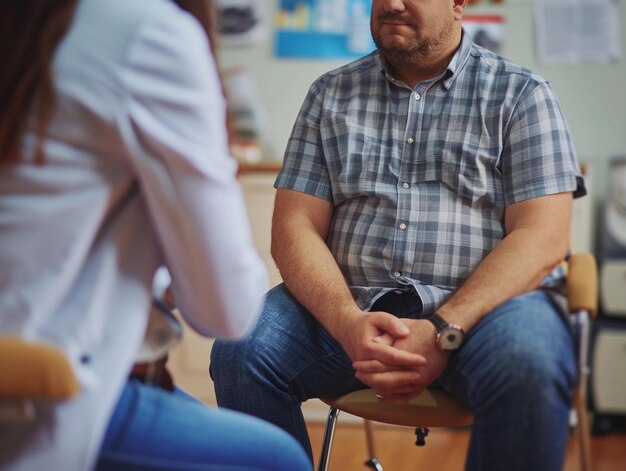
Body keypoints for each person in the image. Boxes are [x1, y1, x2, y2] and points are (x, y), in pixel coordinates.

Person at [210, 0, 586, 469]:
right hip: (350, 309)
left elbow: (543, 238)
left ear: (458, 3)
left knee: (528, 363)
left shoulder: (522, 94)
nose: (390, 3)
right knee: (241, 350)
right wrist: (347, 323)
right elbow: (294, 226)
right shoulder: (330, 94)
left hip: (484, 318)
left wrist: (443, 331)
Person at [0, 0, 311, 470]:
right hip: (40, 395)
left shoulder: (28, 26)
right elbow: (226, 313)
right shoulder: (147, 34)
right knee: (277, 460)